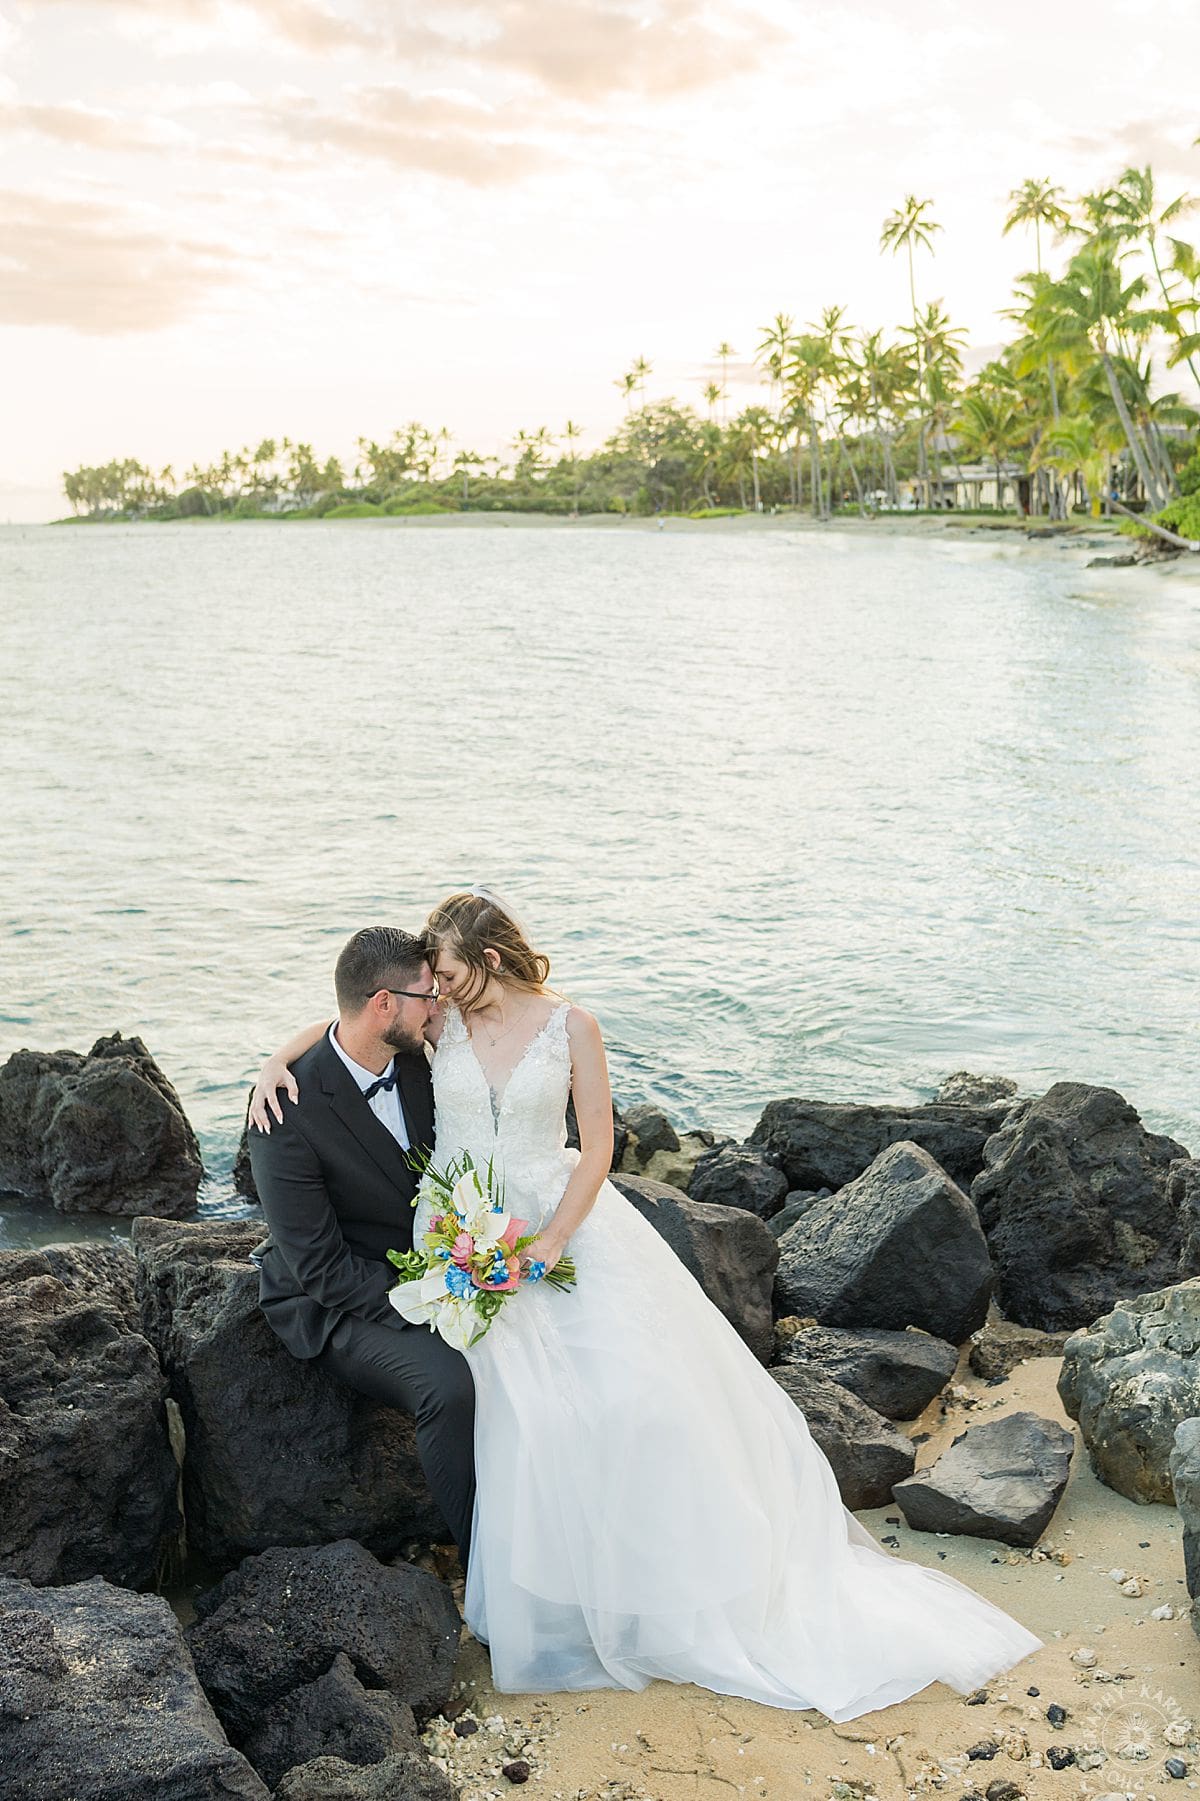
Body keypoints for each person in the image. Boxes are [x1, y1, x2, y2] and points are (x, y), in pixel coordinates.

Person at [250, 892, 1043, 1721]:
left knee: (636, 1396)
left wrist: (553, 1238)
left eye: (444, 973)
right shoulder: (435, 1023)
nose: (436, 990)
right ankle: (523, 1586)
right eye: (428, 983)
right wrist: (276, 1059)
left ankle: (645, 1581)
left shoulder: (554, 1025)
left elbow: (594, 1143)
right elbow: (349, 1028)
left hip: (544, 1227)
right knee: (515, 1403)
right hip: (455, 1234)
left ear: (480, 963)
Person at [248, 925, 476, 1566]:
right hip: (337, 1302)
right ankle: (485, 1562)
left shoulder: (411, 1055)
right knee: (451, 1387)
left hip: (443, 1260)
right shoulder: (284, 1115)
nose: (437, 1006)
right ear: (383, 1004)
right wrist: (435, 1299)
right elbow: (319, 1267)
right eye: (426, 995)